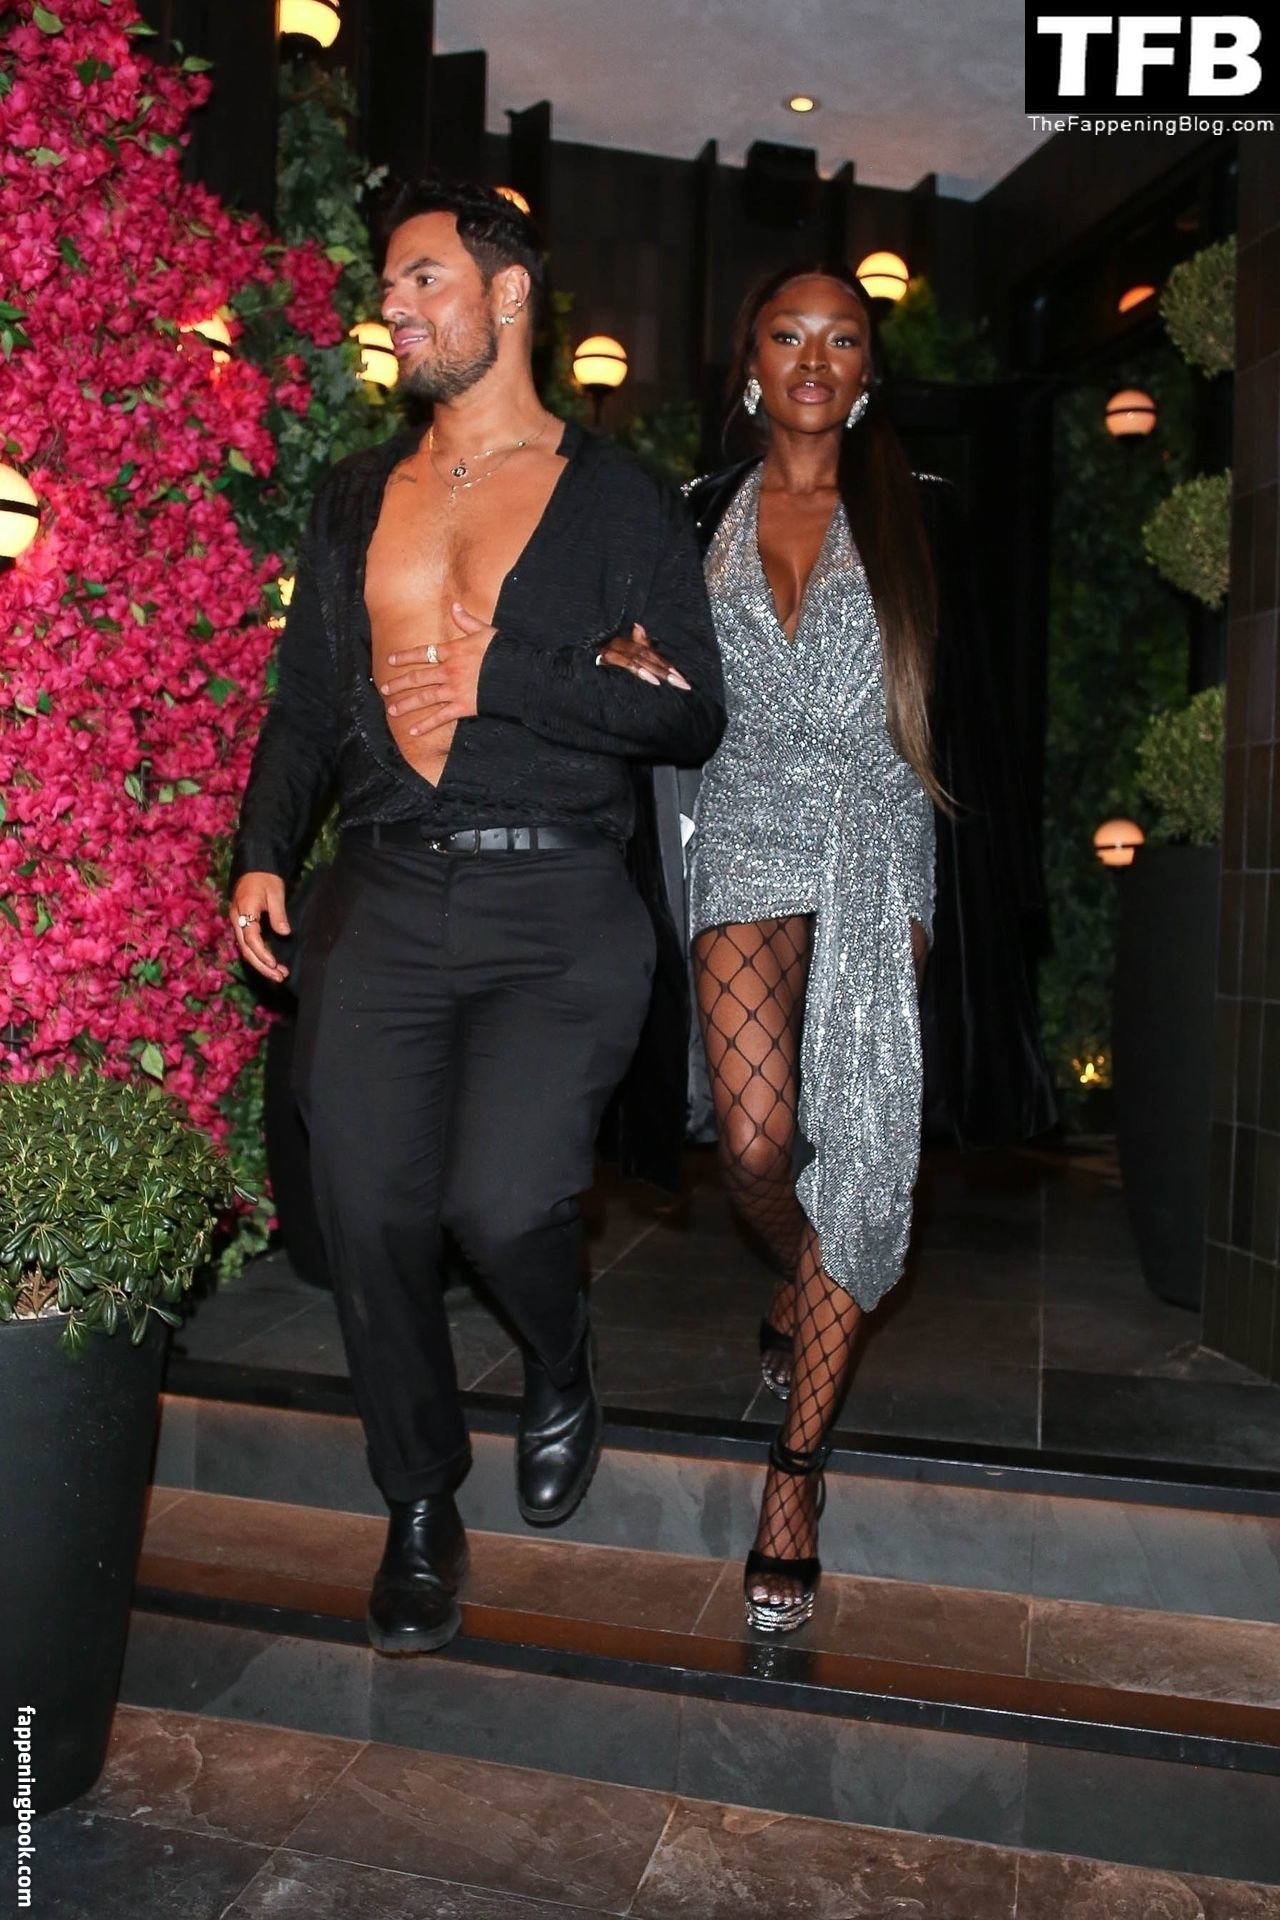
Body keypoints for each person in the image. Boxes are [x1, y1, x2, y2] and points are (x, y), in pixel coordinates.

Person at [229, 179, 724, 1657]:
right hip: (381, 887)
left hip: (557, 895)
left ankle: (560, 1358)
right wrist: (262, 851)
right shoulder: (352, 497)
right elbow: (307, 703)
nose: (394, 307)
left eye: (423, 280)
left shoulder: (620, 498)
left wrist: (507, 672)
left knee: (504, 1203)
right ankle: (418, 1502)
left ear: (508, 295)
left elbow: (689, 711)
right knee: (368, 1209)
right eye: (389, 286)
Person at [631, 262, 1050, 1636]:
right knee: (756, 1148)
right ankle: (806, 1278)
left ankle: (795, 1474)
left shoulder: (927, 513)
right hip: (746, 818)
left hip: (878, 826)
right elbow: (664, 668)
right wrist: (634, 665)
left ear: (869, 372)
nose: (815, 358)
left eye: (844, 338)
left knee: (859, 1140)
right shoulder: (696, 511)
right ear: (749, 363)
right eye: (788, 334)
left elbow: (984, 706)